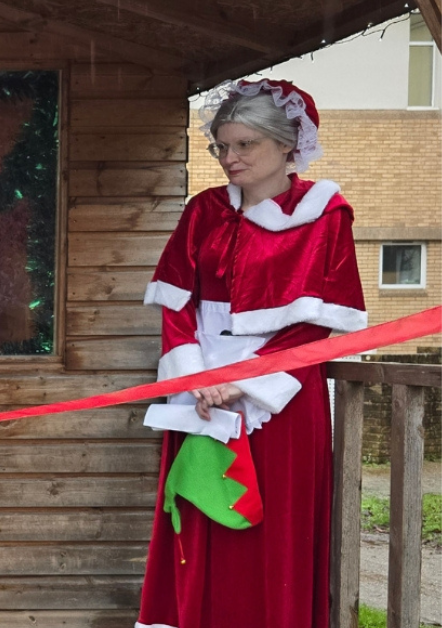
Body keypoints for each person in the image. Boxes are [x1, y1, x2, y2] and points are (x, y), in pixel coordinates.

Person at [136, 79, 366, 628]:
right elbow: (175, 306)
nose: (229, 158)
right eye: (221, 146)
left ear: (288, 146)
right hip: (201, 396)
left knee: (273, 530)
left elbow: (318, 326)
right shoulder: (204, 212)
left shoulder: (327, 215)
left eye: (244, 145)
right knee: (200, 516)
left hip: (280, 401)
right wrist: (197, 378)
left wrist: (243, 379)